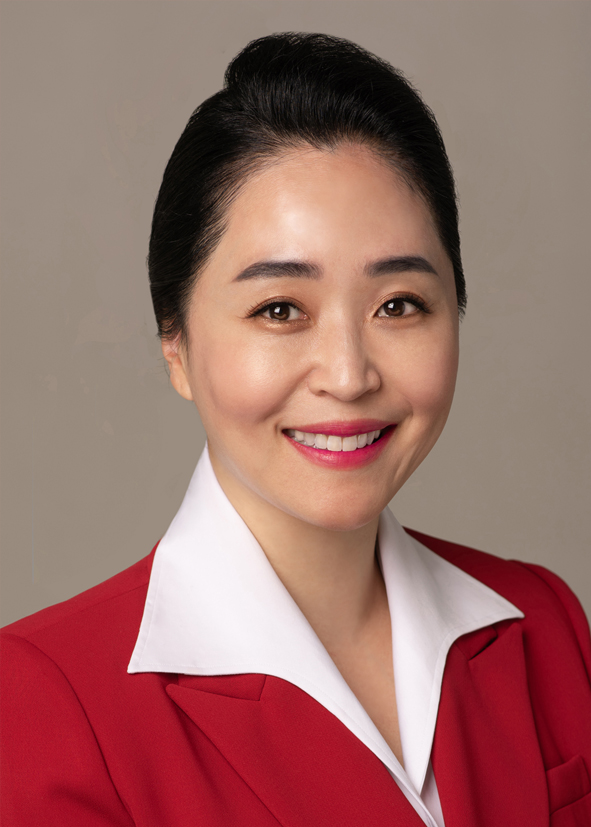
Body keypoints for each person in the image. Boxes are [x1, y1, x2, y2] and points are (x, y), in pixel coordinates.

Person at [1, 32, 590, 827]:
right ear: (174, 341)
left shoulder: (543, 622)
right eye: (279, 309)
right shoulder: (44, 703)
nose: (347, 374)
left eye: (398, 304)